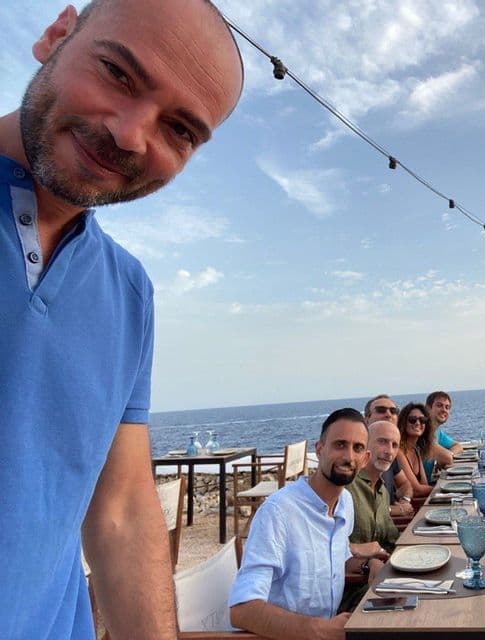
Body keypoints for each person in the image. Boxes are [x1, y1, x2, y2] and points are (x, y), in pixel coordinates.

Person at [0, 1, 242, 637]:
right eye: (117, 72)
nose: (132, 134)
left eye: (181, 130)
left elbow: (123, 509)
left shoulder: (128, 290)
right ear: (56, 36)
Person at [230, 409, 379, 640]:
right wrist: (323, 630)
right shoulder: (278, 513)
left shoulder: (344, 503)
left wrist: (369, 567)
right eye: (339, 445)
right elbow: (242, 610)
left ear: (366, 459)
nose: (348, 456)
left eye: (357, 448)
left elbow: (334, 559)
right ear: (319, 450)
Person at [340, 420, 402, 612]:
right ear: (365, 446)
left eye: (394, 445)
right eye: (382, 442)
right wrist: (366, 562)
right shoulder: (344, 489)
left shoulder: (382, 490)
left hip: (384, 580)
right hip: (352, 593)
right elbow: (324, 552)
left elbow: (392, 540)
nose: (389, 451)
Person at [364, 394, 413, 517]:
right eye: (381, 410)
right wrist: (393, 510)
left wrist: (405, 501)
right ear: (366, 419)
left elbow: (406, 484)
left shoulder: (390, 453)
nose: (388, 414)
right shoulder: (356, 457)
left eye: (394, 411)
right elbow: (358, 507)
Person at [396, 402, 435, 498]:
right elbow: (416, 490)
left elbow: (424, 485)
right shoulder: (398, 451)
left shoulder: (415, 449)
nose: (418, 423)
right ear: (403, 422)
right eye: (412, 420)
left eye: (422, 420)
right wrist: (442, 489)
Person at [423, 390, 463, 481]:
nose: (444, 410)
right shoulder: (422, 431)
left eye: (447, 407)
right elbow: (447, 458)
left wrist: (451, 454)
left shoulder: (437, 432)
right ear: (428, 408)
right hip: (417, 491)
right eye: (439, 405)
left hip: (426, 484)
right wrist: (444, 456)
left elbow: (457, 446)